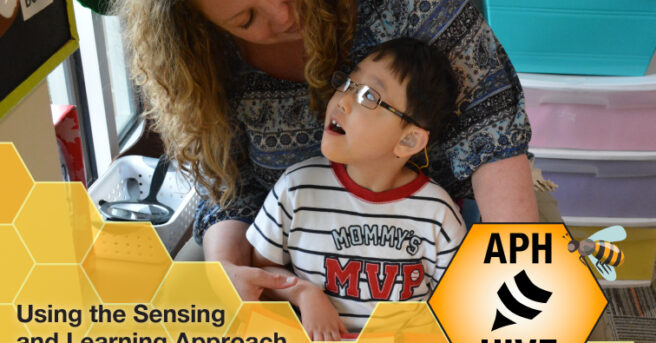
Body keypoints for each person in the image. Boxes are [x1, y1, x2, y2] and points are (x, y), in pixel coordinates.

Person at [113, 0, 538, 300]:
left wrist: (512, 279)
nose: (283, 14)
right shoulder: (206, 66)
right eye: (246, 18)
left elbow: (492, 133)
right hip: (288, 250)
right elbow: (230, 189)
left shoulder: (437, 216)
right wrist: (232, 276)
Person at [245, 37, 467, 340]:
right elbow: (261, 274)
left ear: (409, 141)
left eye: (368, 95)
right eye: (348, 83)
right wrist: (304, 294)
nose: (341, 100)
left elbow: (456, 311)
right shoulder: (296, 189)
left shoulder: (438, 215)